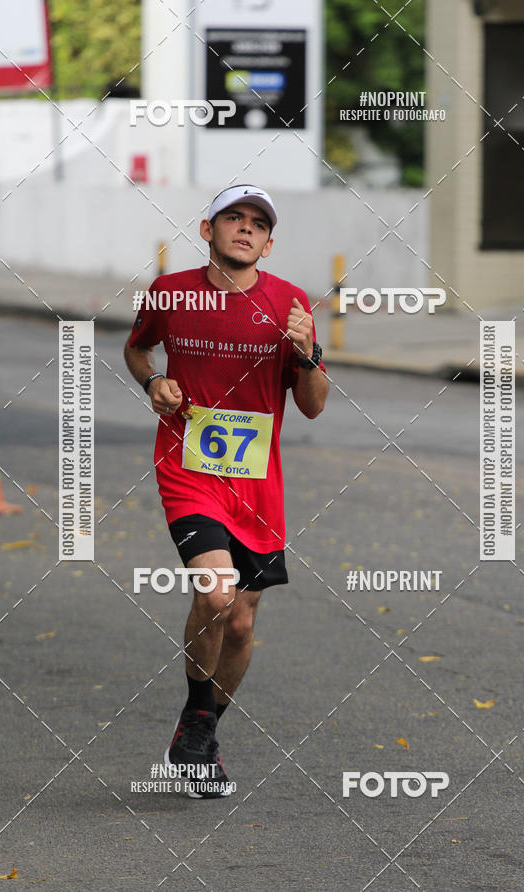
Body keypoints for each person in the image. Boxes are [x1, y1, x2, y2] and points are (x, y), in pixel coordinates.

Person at [124, 184, 328, 797]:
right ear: (207, 228)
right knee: (216, 594)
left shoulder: (290, 303)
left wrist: (306, 353)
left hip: (257, 483)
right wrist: (153, 382)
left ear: (269, 243)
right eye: (233, 217)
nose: (245, 228)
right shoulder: (170, 293)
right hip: (188, 467)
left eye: (257, 223)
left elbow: (313, 406)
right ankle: (197, 721)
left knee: (240, 623)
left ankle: (200, 733)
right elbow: (137, 348)